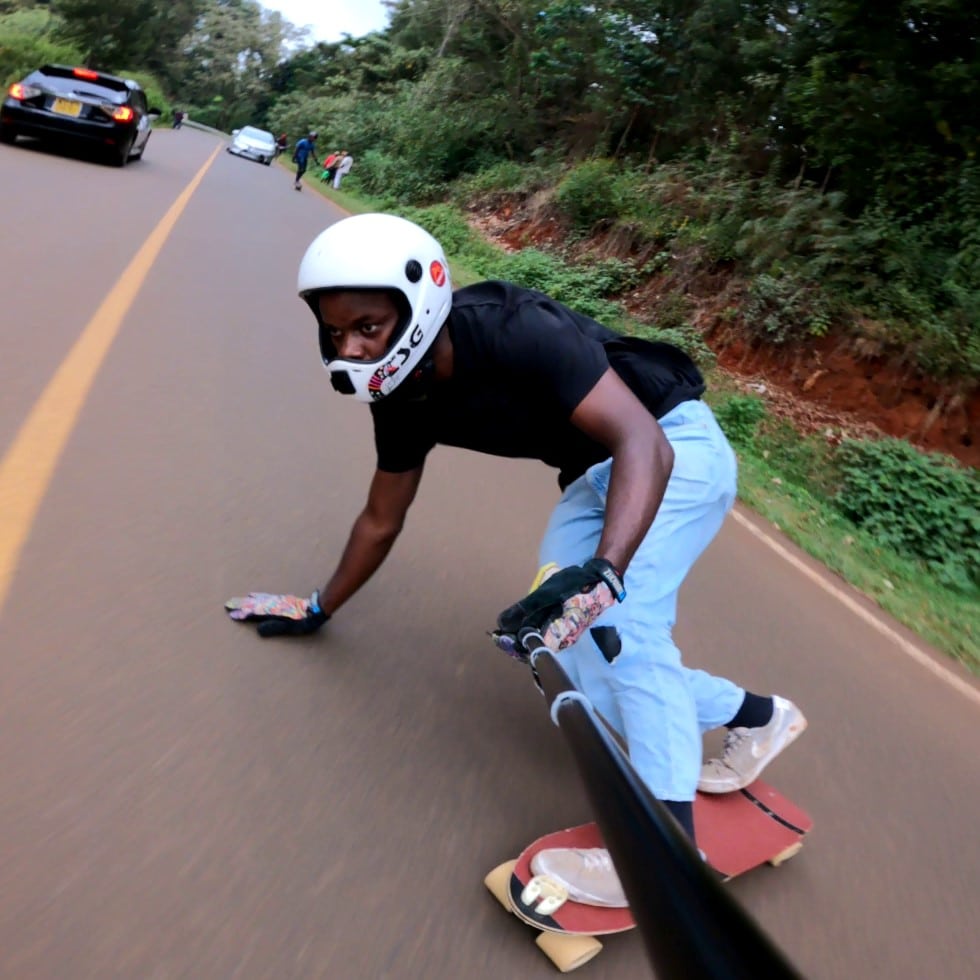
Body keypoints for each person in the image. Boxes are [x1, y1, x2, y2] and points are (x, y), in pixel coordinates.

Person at [225, 213, 807, 907]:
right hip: (593, 482)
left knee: (621, 629)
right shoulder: (400, 397)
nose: (349, 349)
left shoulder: (516, 328)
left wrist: (607, 572)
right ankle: (757, 715)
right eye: (335, 332)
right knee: (565, 654)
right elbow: (382, 519)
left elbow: (643, 444)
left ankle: (659, 858)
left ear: (421, 303)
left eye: (368, 327)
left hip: (670, 450)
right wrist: (318, 606)